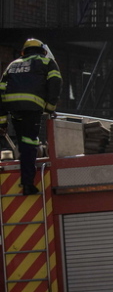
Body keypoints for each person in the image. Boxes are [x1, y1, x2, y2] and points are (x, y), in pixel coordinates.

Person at [0, 38, 62, 196]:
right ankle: (28, 183)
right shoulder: (47, 62)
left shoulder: (13, 64)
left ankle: (26, 176)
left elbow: (1, 90)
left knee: (23, 141)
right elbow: (56, 82)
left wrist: (2, 121)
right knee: (30, 141)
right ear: (42, 51)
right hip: (31, 107)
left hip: (13, 106)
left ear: (24, 52)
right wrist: (50, 107)